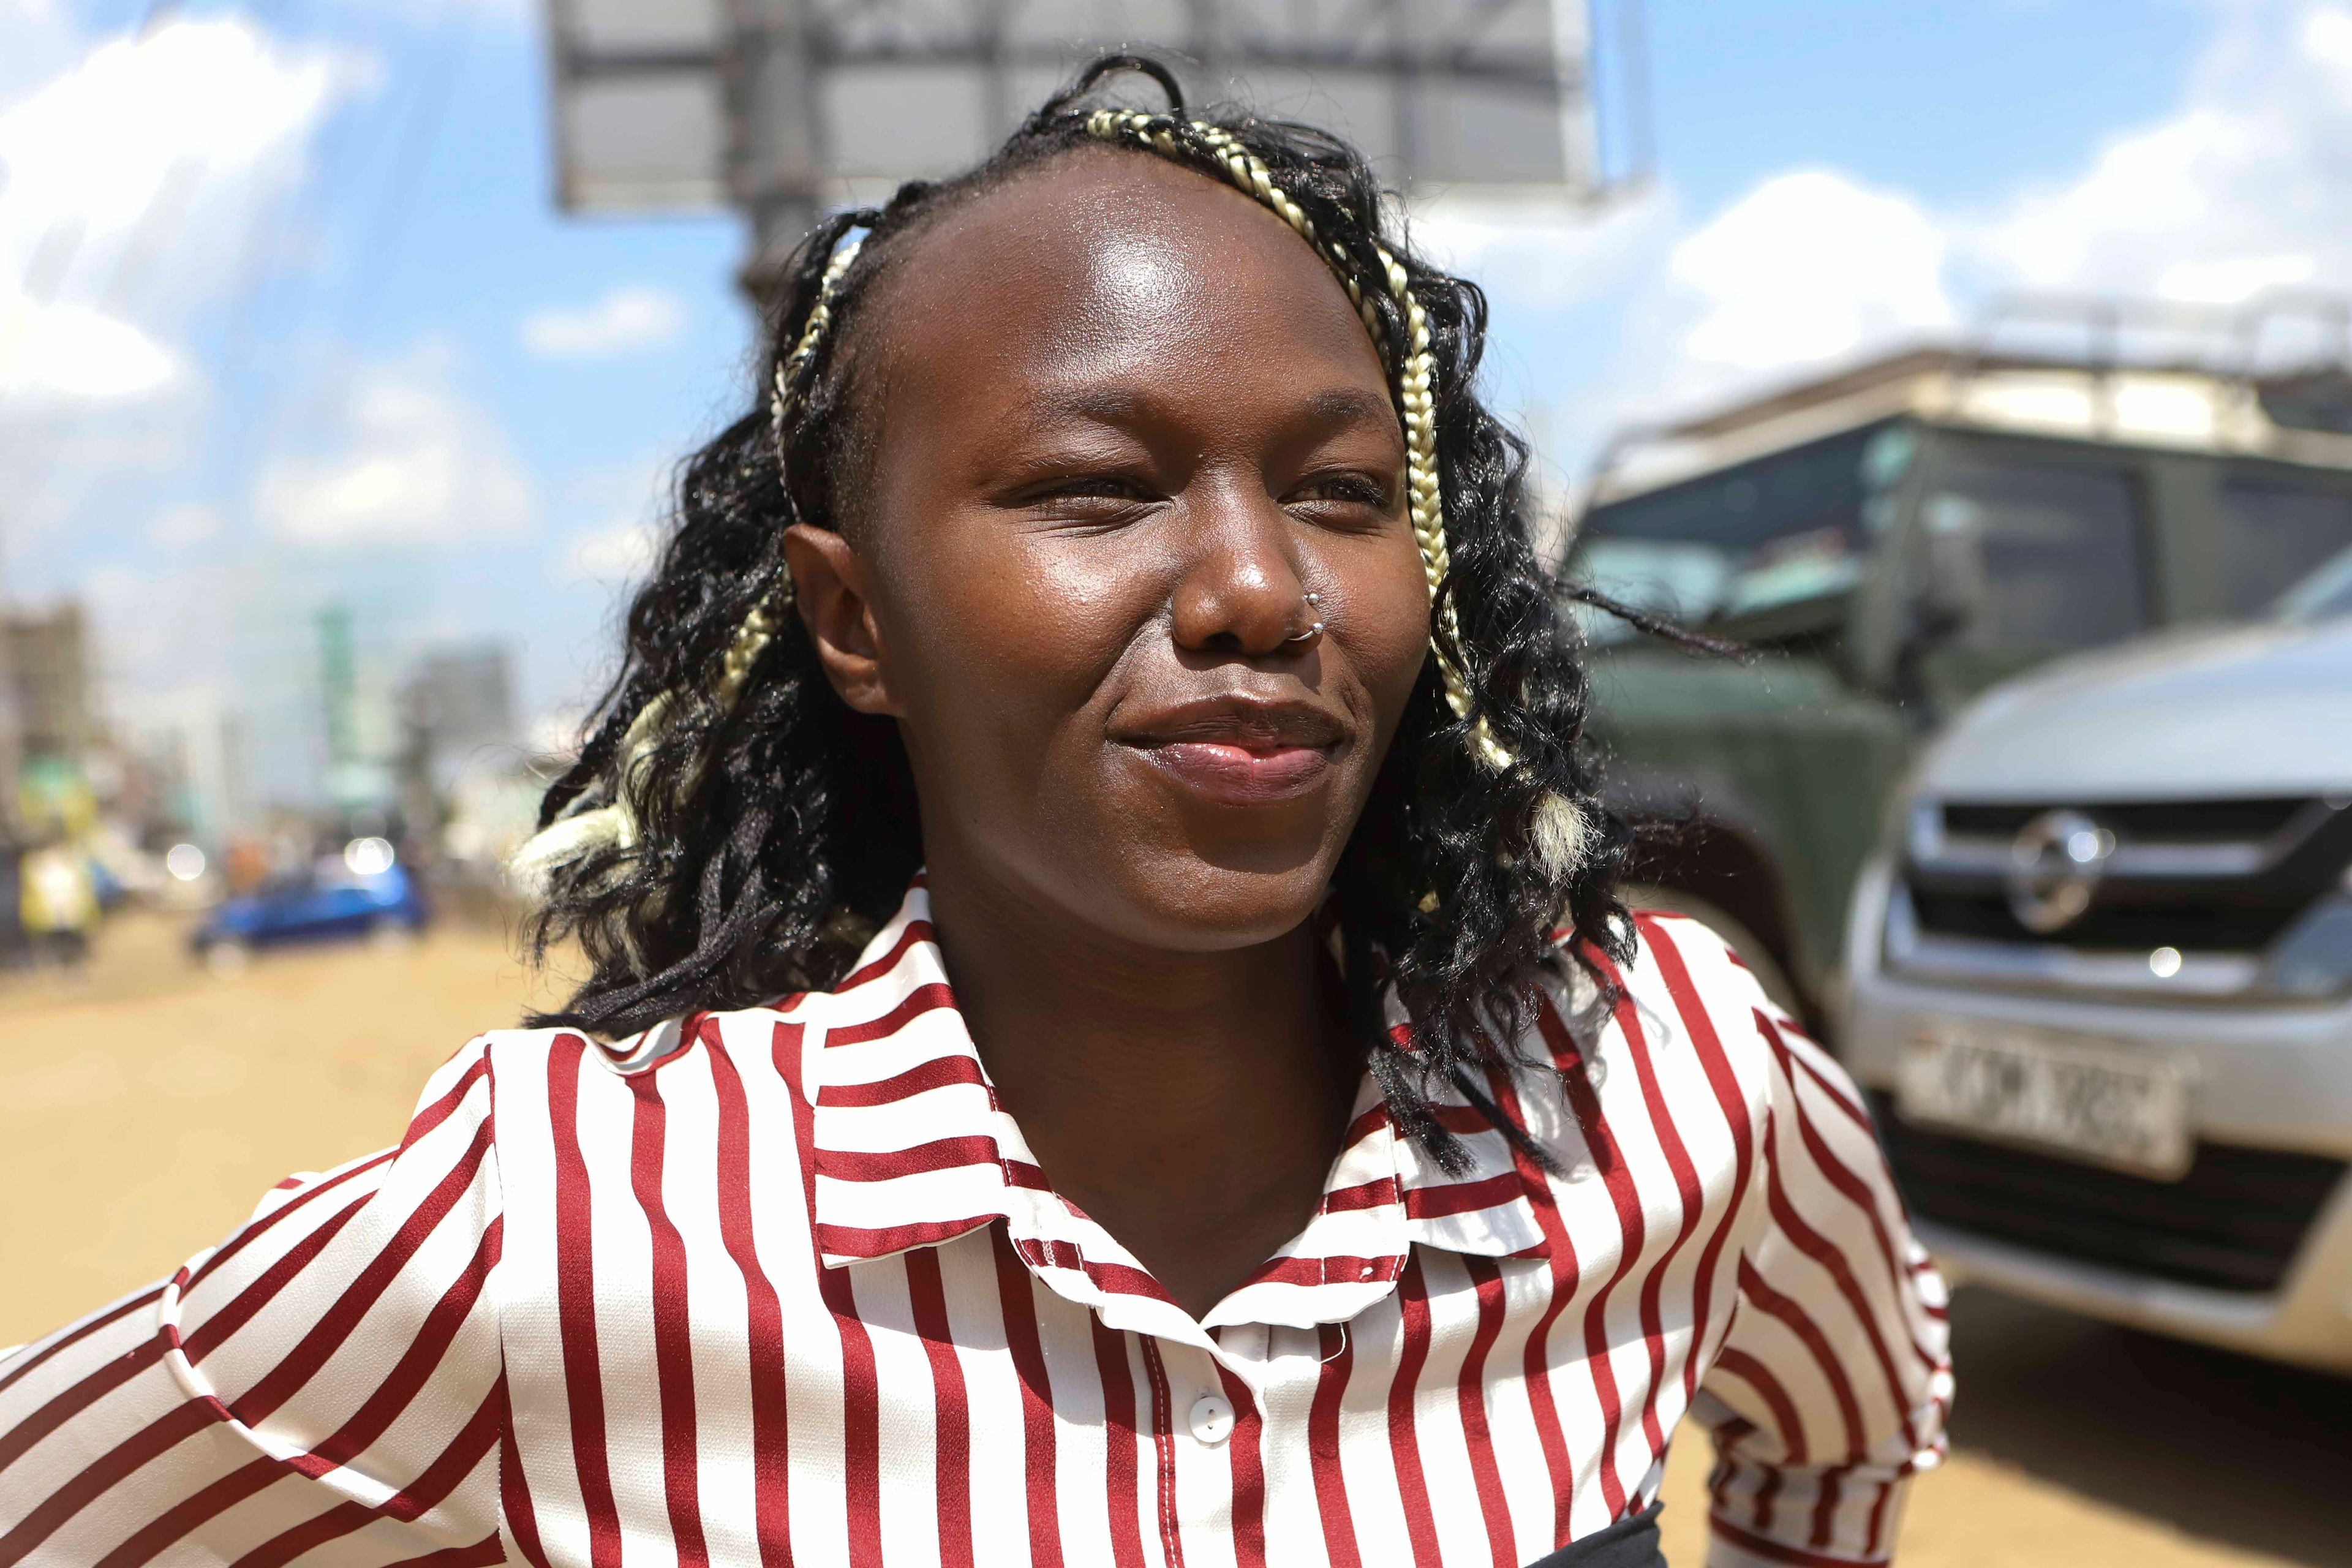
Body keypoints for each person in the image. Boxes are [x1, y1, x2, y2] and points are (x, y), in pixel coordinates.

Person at [0, 57, 1949, 1568]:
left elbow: (1848, 1420)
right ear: (857, 619)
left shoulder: (1659, 1083)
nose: (1262, 589)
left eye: (1347, 496)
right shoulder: (573, 1233)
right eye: (1099, 489)